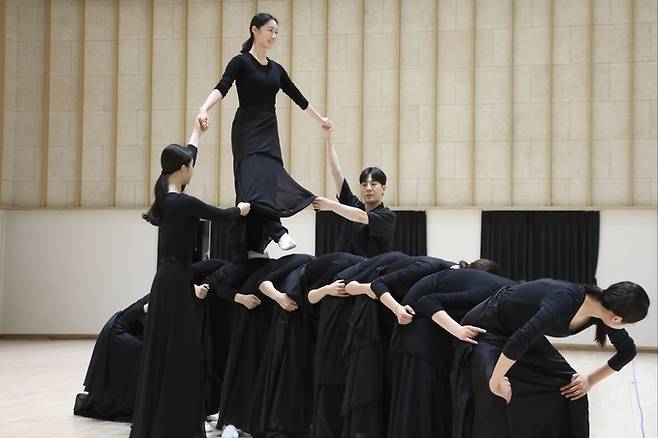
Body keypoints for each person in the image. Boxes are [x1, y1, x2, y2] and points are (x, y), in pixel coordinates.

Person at [129, 123, 250, 438]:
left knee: (168, 349)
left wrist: (198, 132)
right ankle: (176, 424)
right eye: (191, 166)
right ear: (183, 170)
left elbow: (188, 153)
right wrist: (242, 208)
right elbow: (223, 214)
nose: (192, 169)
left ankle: (165, 420)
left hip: (170, 280)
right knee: (182, 351)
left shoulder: (166, 196)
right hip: (176, 279)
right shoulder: (182, 203)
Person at [196, 12, 333, 258]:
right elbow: (222, 87)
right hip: (246, 129)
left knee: (267, 184)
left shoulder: (277, 70)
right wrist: (204, 108)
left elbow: (298, 97)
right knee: (249, 185)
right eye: (270, 30)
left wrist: (320, 120)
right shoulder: (240, 62)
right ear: (254, 31)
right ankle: (277, 230)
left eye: (277, 32)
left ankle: (257, 244)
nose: (274, 35)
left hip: (269, 129)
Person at [451, 279, 649, 438]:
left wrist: (589, 380)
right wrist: (495, 381)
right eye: (629, 325)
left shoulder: (601, 311)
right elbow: (521, 340)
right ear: (616, 319)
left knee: (569, 387)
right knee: (492, 391)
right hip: (488, 326)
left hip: (520, 333)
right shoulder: (566, 299)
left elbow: (627, 351)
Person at [387, 263, 512, 438]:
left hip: (422, 334)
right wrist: (457, 330)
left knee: (428, 401)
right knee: (423, 401)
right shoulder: (490, 290)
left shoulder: (468, 280)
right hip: (419, 337)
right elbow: (426, 302)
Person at [312, 131, 396, 257]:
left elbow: (360, 217)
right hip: (342, 269)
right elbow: (336, 172)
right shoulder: (353, 205)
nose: (368, 188)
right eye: (364, 185)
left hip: (368, 273)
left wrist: (330, 205)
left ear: (384, 188)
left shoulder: (387, 216)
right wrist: (328, 139)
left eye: (373, 184)